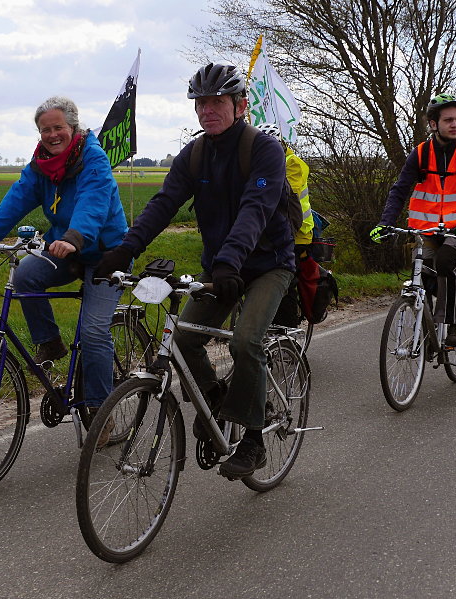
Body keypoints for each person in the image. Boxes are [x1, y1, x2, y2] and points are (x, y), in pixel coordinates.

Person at [94, 63, 295, 479]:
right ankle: (218, 400)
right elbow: (163, 204)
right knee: (184, 339)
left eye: (217, 101)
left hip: (267, 265)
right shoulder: (196, 154)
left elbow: (254, 212)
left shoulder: (264, 150)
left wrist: (227, 263)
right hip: (222, 269)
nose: (208, 109)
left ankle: (254, 440)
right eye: (200, 102)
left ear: (240, 105)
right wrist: (124, 250)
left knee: (245, 341)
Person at [0, 96, 128, 411]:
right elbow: (18, 197)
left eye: (58, 128)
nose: (52, 135)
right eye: (45, 130)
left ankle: (99, 409)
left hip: (107, 254)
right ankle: (50, 342)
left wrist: (74, 237)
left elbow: (93, 203)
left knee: (94, 332)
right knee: (25, 275)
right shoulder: (41, 164)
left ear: (73, 127)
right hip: (65, 248)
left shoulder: (93, 159)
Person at [370, 93, 456, 348]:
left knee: (447, 261)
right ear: (434, 124)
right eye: (448, 120)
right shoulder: (421, 153)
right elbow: (400, 189)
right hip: (426, 227)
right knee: (421, 271)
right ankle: (426, 329)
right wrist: (385, 222)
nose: (455, 125)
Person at [256, 122, 315, 327]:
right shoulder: (262, 162)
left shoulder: (292, 163)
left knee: (286, 283)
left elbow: (286, 200)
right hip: (277, 231)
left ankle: (289, 336)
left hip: (299, 232)